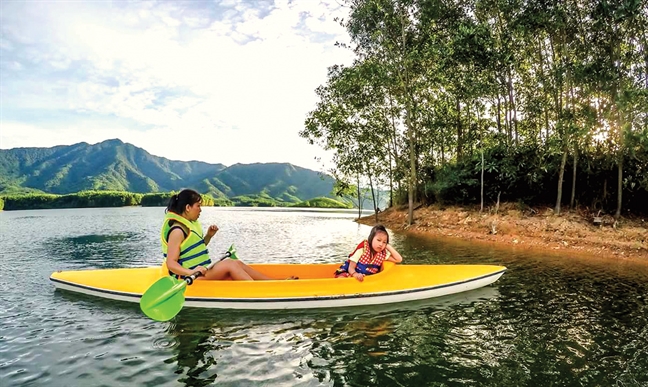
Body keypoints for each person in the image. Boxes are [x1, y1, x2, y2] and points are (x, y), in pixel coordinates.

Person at [161, 189, 273, 280]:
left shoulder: (189, 226)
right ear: (188, 207)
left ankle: (273, 283)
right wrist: (191, 272)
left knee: (236, 262)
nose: (200, 210)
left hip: (201, 270)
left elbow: (194, 249)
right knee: (230, 264)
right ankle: (259, 290)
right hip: (189, 276)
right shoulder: (177, 231)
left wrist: (209, 236)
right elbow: (171, 263)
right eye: (198, 206)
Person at [335, 225, 403, 282]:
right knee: (341, 279)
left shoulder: (382, 254)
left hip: (366, 278)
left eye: (384, 242)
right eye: (378, 240)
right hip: (351, 272)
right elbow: (351, 267)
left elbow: (398, 259)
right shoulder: (362, 249)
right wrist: (356, 275)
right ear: (371, 239)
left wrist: (387, 246)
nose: (381, 244)